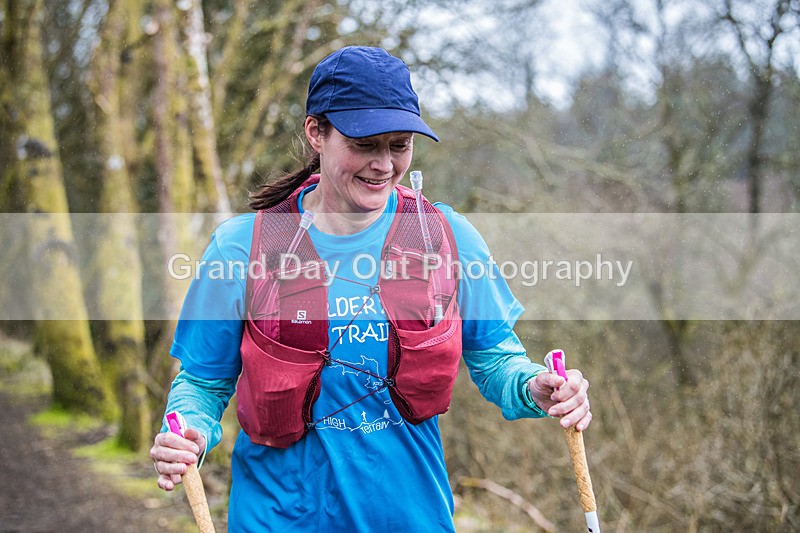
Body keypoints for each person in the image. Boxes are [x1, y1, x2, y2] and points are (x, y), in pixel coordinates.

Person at [151, 45, 592, 532]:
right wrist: (186, 431)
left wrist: (537, 387)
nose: (384, 164)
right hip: (277, 519)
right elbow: (203, 383)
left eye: (399, 144)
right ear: (316, 132)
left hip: (410, 517)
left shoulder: (445, 236)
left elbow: (494, 360)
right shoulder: (241, 248)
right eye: (365, 143)